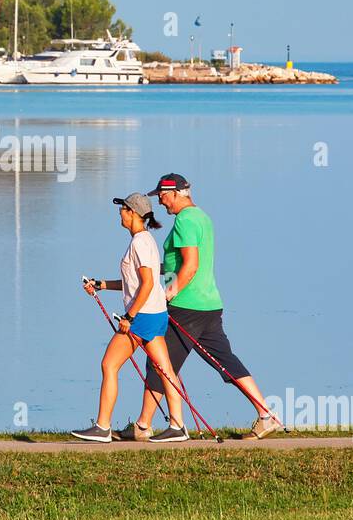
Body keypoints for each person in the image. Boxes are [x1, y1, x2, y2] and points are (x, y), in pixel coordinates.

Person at [115, 173, 279, 441]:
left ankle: (152, 426)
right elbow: (176, 267)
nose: (162, 202)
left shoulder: (185, 220)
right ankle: (265, 414)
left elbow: (190, 266)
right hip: (209, 305)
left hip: (186, 307)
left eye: (164, 196)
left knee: (160, 364)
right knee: (224, 361)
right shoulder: (201, 217)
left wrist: (168, 294)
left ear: (179, 193)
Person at [71, 193, 190, 443]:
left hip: (143, 316)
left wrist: (129, 316)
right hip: (154, 313)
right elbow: (133, 283)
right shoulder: (143, 241)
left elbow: (147, 284)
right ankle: (178, 425)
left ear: (134, 213)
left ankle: (103, 427)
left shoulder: (140, 243)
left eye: (123, 209)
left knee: (109, 364)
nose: (120, 213)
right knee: (165, 369)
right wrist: (101, 284)